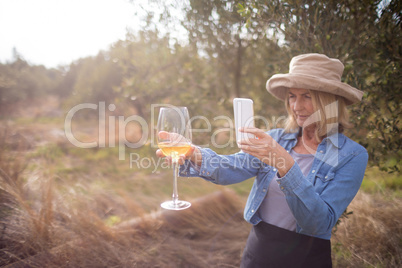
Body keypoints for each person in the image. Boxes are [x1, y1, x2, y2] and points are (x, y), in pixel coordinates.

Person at [156, 53, 368, 267]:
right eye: (292, 96)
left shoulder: (351, 155)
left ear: (329, 101)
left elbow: (318, 223)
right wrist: (193, 152)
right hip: (259, 252)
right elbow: (232, 168)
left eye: (307, 96)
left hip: (307, 258)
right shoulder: (276, 138)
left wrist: (284, 163)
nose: (296, 106)